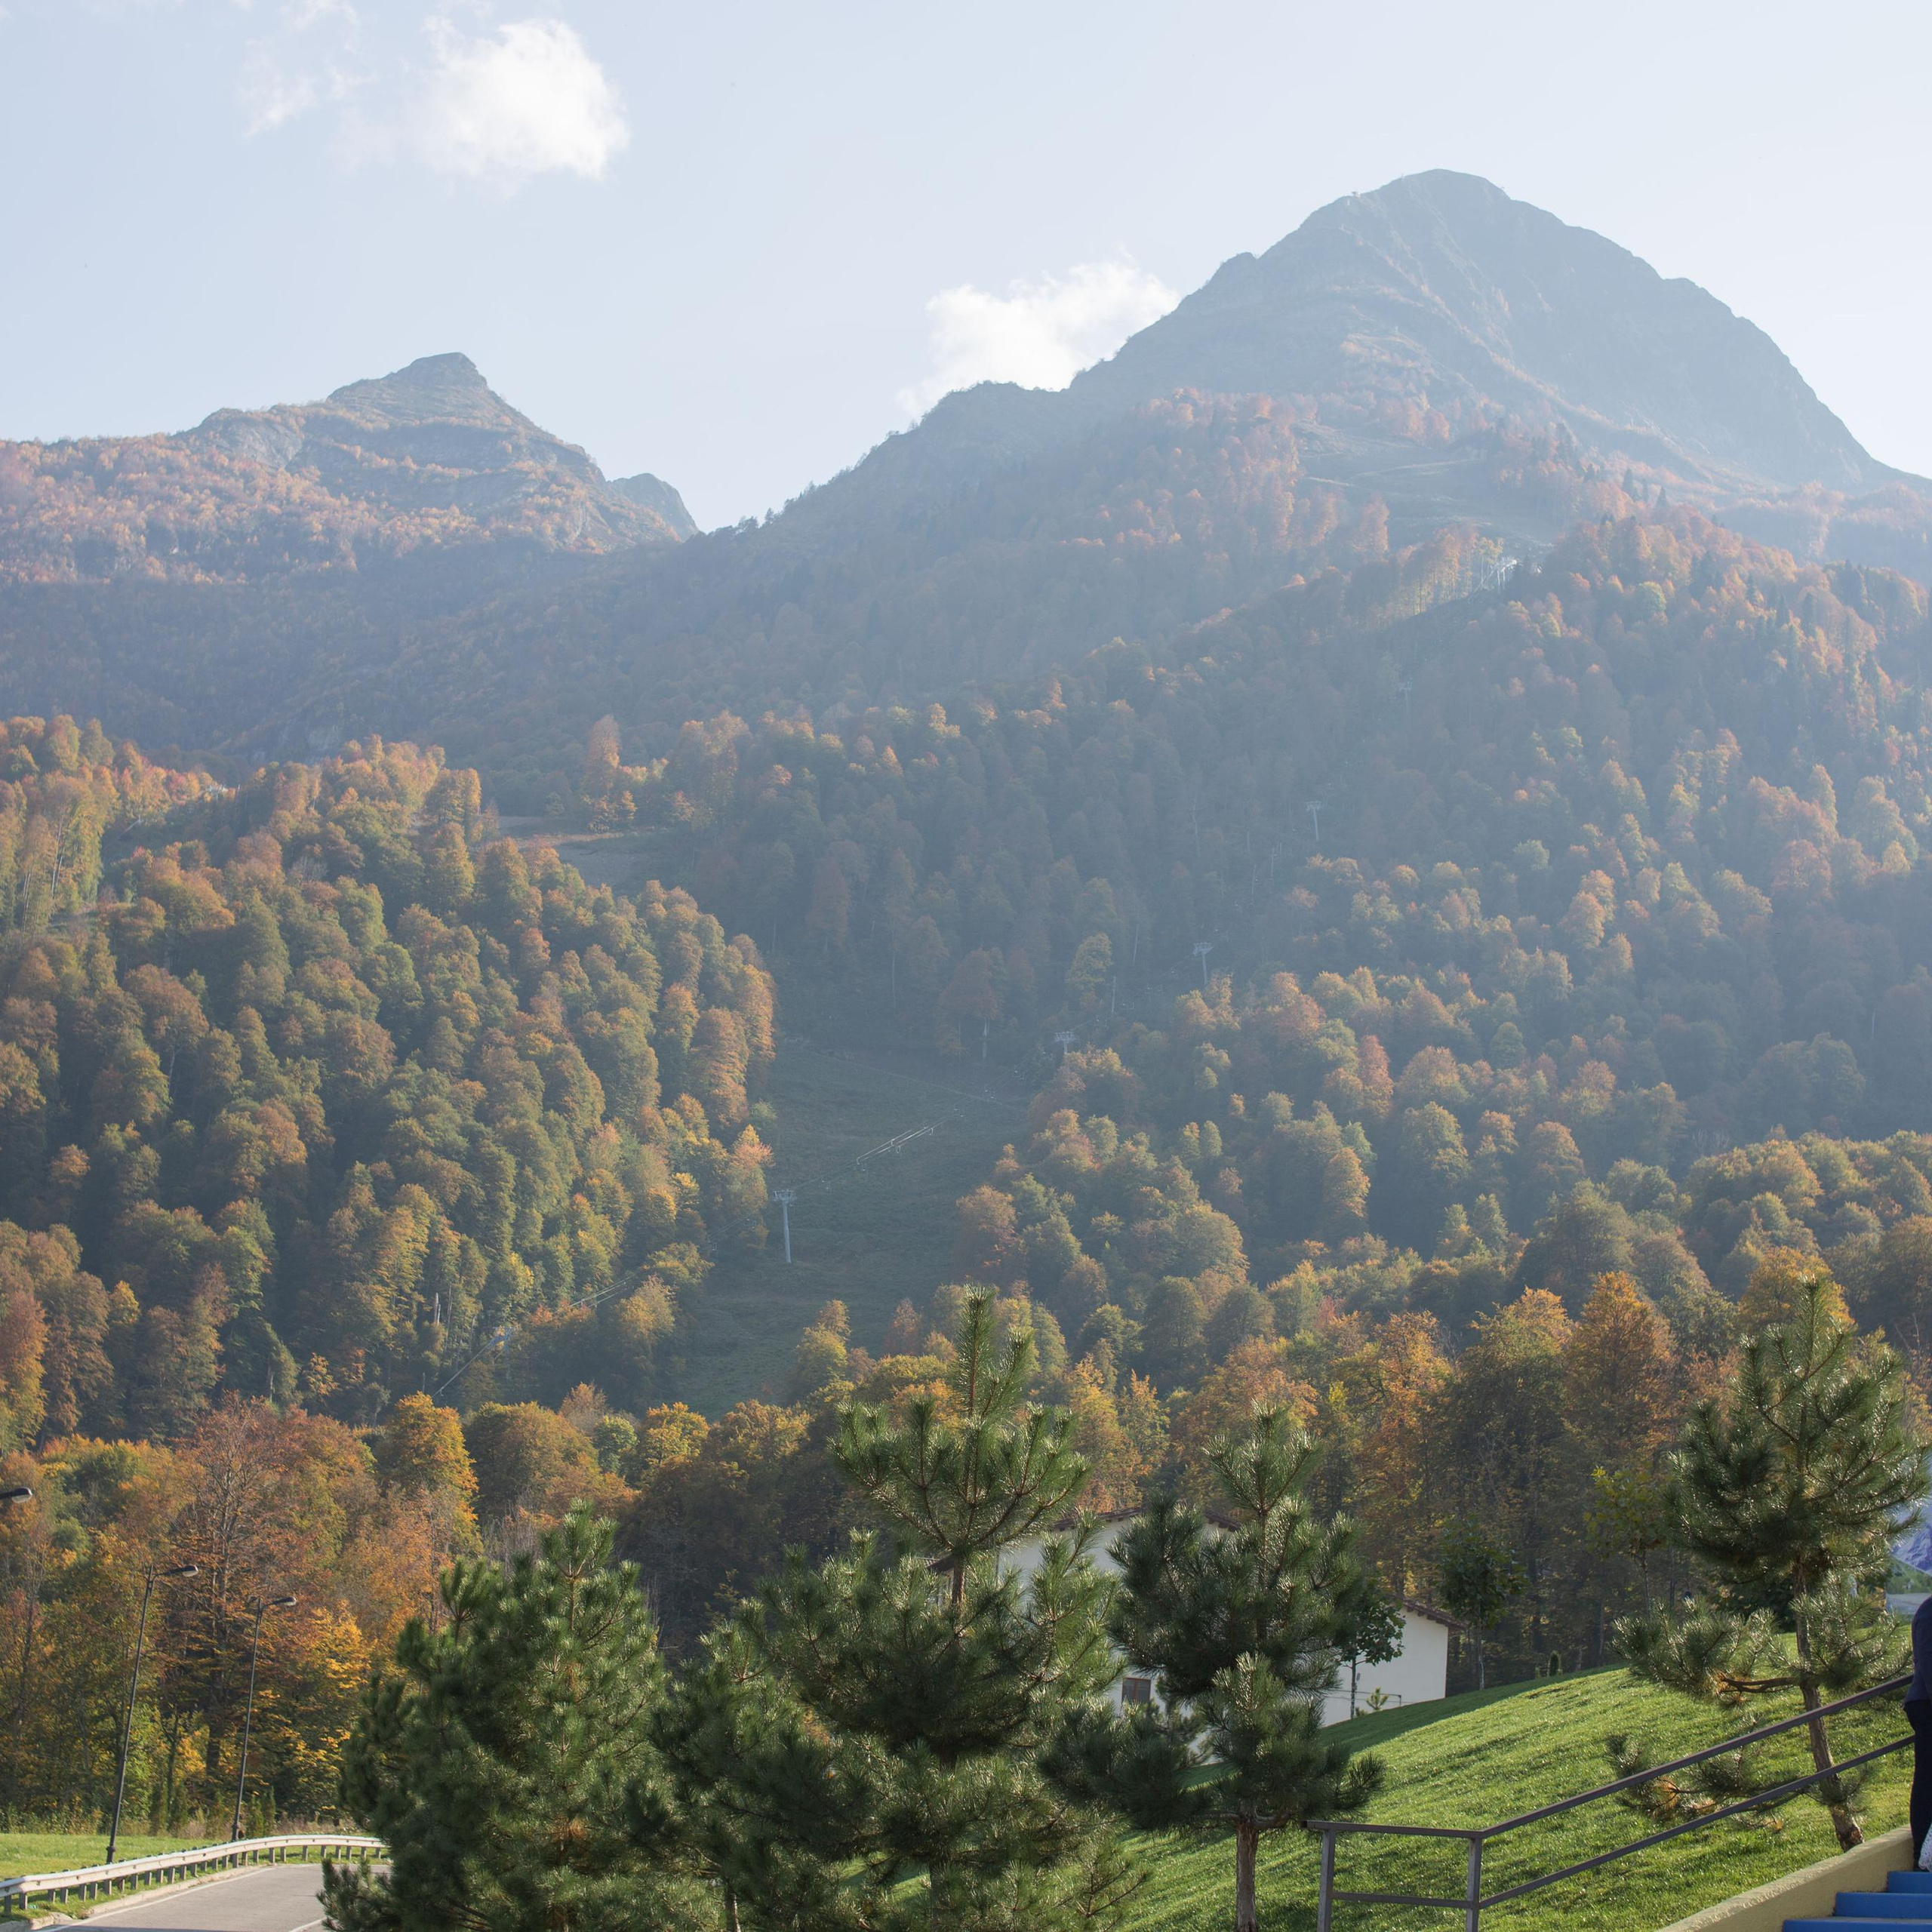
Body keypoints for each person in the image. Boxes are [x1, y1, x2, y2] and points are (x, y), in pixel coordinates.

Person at [1909, 1594, 1932, 1864]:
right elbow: (1928, 1664)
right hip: (1926, 1707)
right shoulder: (1929, 1612)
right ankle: (1921, 1855)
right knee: (1928, 1778)